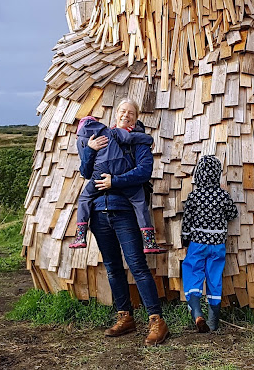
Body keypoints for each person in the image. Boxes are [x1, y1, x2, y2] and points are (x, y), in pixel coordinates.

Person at [84, 98, 169, 346]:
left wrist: (115, 182)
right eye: (122, 111)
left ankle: (157, 321)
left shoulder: (139, 141)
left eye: (131, 113)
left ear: (136, 117)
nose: (126, 115)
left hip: (124, 212)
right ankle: (125, 316)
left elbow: (144, 171)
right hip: (100, 212)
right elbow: (86, 172)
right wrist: (89, 149)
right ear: (115, 113)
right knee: (112, 267)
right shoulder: (102, 138)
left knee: (137, 266)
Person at [70, 115, 166, 253]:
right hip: (121, 167)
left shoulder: (81, 140)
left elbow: (86, 173)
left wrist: (89, 150)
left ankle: (80, 236)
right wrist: (149, 139)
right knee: (139, 201)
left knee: (85, 198)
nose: (126, 115)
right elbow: (129, 138)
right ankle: (149, 241)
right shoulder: (110, 132)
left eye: (131, 113)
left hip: (100, 173)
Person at [181, 155, 238, 332]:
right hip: (217, 244)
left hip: (197, 243)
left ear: (198, 174)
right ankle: (213, 322)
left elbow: (187, 221)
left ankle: (197, 314)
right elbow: (232, 214)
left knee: (193, 272)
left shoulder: (194, 196)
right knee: (214, 277)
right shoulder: (223, 196)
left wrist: (185, 238)